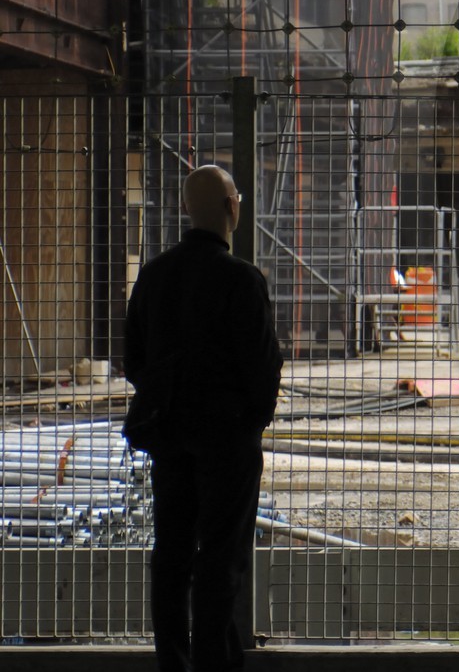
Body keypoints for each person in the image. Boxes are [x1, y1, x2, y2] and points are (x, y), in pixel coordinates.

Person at [123, 165, 283, 672]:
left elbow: (134, 359)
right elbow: (262, 366)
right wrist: (250, 420)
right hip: (227, 439)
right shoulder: (241, 279)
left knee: (171, 552)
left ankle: (174, 660)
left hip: (170, 436)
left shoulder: (154, 275)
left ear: (185, 209)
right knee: (219, 555)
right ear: (233, 209)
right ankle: (216, 662)